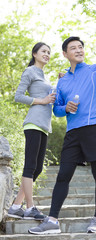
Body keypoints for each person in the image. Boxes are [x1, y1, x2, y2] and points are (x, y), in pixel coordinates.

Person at [28, 28, 96, 234]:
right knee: (63, 175)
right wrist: (65, 108)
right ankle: (52, 220)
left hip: (94, 126)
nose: (78, 50)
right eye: (73, 48)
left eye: (80, 47)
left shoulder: (95, 70)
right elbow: (57, 110)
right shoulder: (63, 81)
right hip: (73, 132)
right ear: (65, 54)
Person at [8, 42, 56, 220]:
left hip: (44, 126)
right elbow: (18, 96)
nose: (47, 54)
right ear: (34, 53)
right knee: (30, 166)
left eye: (49, 52)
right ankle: (29, 207)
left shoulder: (43, 75)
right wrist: (42, 101)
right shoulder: (30, 71)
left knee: (36, 170)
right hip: (33, 123)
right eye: (44, 51)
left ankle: (15, 206)